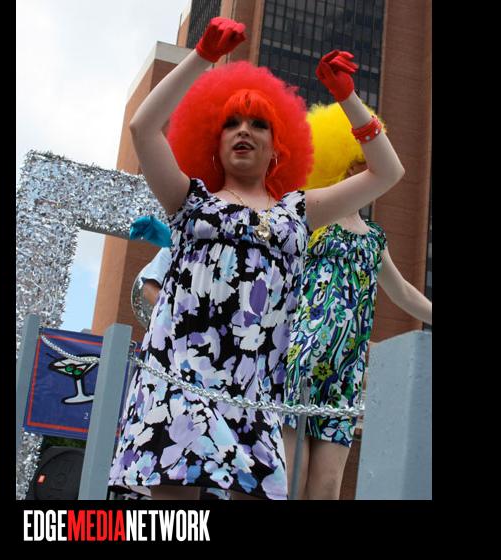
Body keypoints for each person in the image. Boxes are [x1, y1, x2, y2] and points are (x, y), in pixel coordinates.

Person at [108, 16, 405, 500]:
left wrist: (348, 98)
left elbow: (387, 172)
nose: (243, 131)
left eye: (258, 124)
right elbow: (143, 128)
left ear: (277, 147)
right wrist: (202, 57)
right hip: (179, 384)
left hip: (255, 395)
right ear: (214, 140)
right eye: (231, 123)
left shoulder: (299, 212)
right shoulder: (191, 201)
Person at [282, 103, 432, 500]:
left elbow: (401, 291)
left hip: (346, 371)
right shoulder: (311, 217)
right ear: (345, 166)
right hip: (300, 359)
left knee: (328, 485)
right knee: (292, 476)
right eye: (359, 164)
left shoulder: (374, 237)